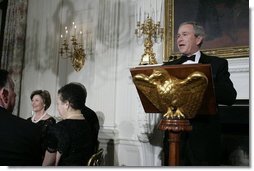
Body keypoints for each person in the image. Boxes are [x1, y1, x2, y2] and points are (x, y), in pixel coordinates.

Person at [163, 21, 237, 166]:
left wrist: (203, 79)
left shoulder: (217, 64)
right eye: (178, 36)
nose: (179, 39)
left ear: (198, 39)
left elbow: (230, 97)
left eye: (185, 34)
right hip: (176, 139)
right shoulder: (168, 67)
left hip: (205, 140)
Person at [42, 82, 97, 166]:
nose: (58, 107)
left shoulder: (58, 129)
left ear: (67, 104)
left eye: (58, 103)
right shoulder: (88, 125)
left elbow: (48, 164)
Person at [0, 69, 42, 165]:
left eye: (37, 100)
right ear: (4, 94)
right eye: (13, 90)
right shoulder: (30, 130)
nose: (15, 94)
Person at [27, 90, 56, 161]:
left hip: (40, 160)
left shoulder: (50, 121)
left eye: (36, 100)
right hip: (26, 156)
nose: (33, 103)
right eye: (32, 100)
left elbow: (51, 146)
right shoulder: (28, 120)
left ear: (44, 103)